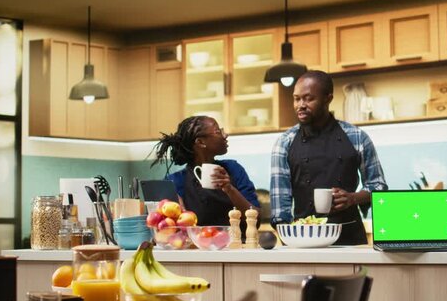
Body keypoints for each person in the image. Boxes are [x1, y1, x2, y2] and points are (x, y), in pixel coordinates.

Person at [270, 70, 388, 245]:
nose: (300, 105)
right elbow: (280, 203)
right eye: (297, 98)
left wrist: (352, 198)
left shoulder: (357, 137)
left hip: (349, 237)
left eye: (308, 98)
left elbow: (379, 187)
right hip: (303, 238)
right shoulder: (284, 143)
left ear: (328, 98)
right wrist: (289, 238)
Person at [152, 116, 260, 236]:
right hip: (197, 250)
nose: (225, 135)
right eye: (218, 131)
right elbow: (169, 231)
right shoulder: (175, 181)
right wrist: (177, 215)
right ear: (200, 142)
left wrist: (230, 190)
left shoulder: (233, 169)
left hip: (238, 247)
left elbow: (256, 219)